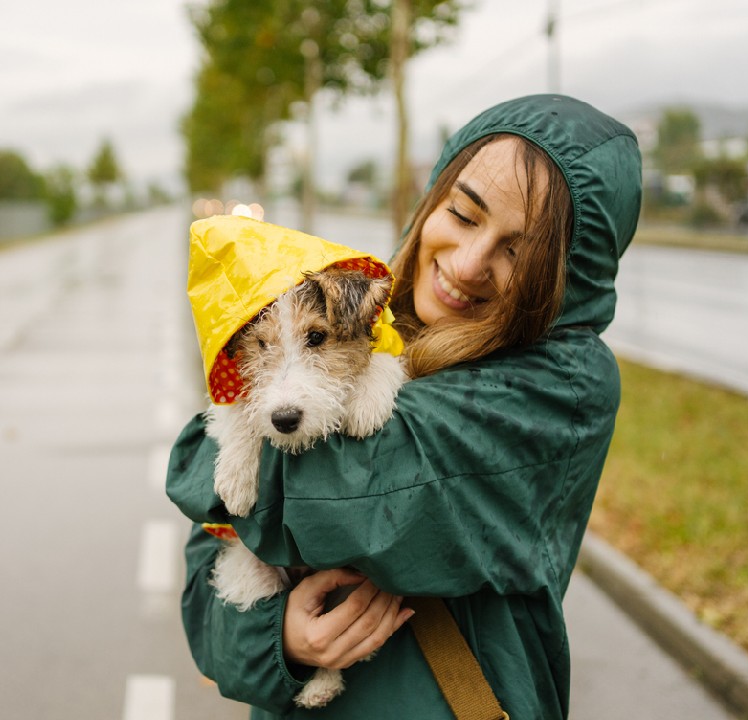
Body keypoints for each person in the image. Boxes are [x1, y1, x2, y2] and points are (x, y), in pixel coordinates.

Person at [166, 93, 642, 719]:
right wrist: (277, 639)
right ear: (432, 200)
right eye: (465, 215)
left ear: (562, 280)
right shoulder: (358, 313)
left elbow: (346, 495)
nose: (470, 264)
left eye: (518, 252)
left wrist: (211, 450)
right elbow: (209, 570)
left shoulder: (560, 389)